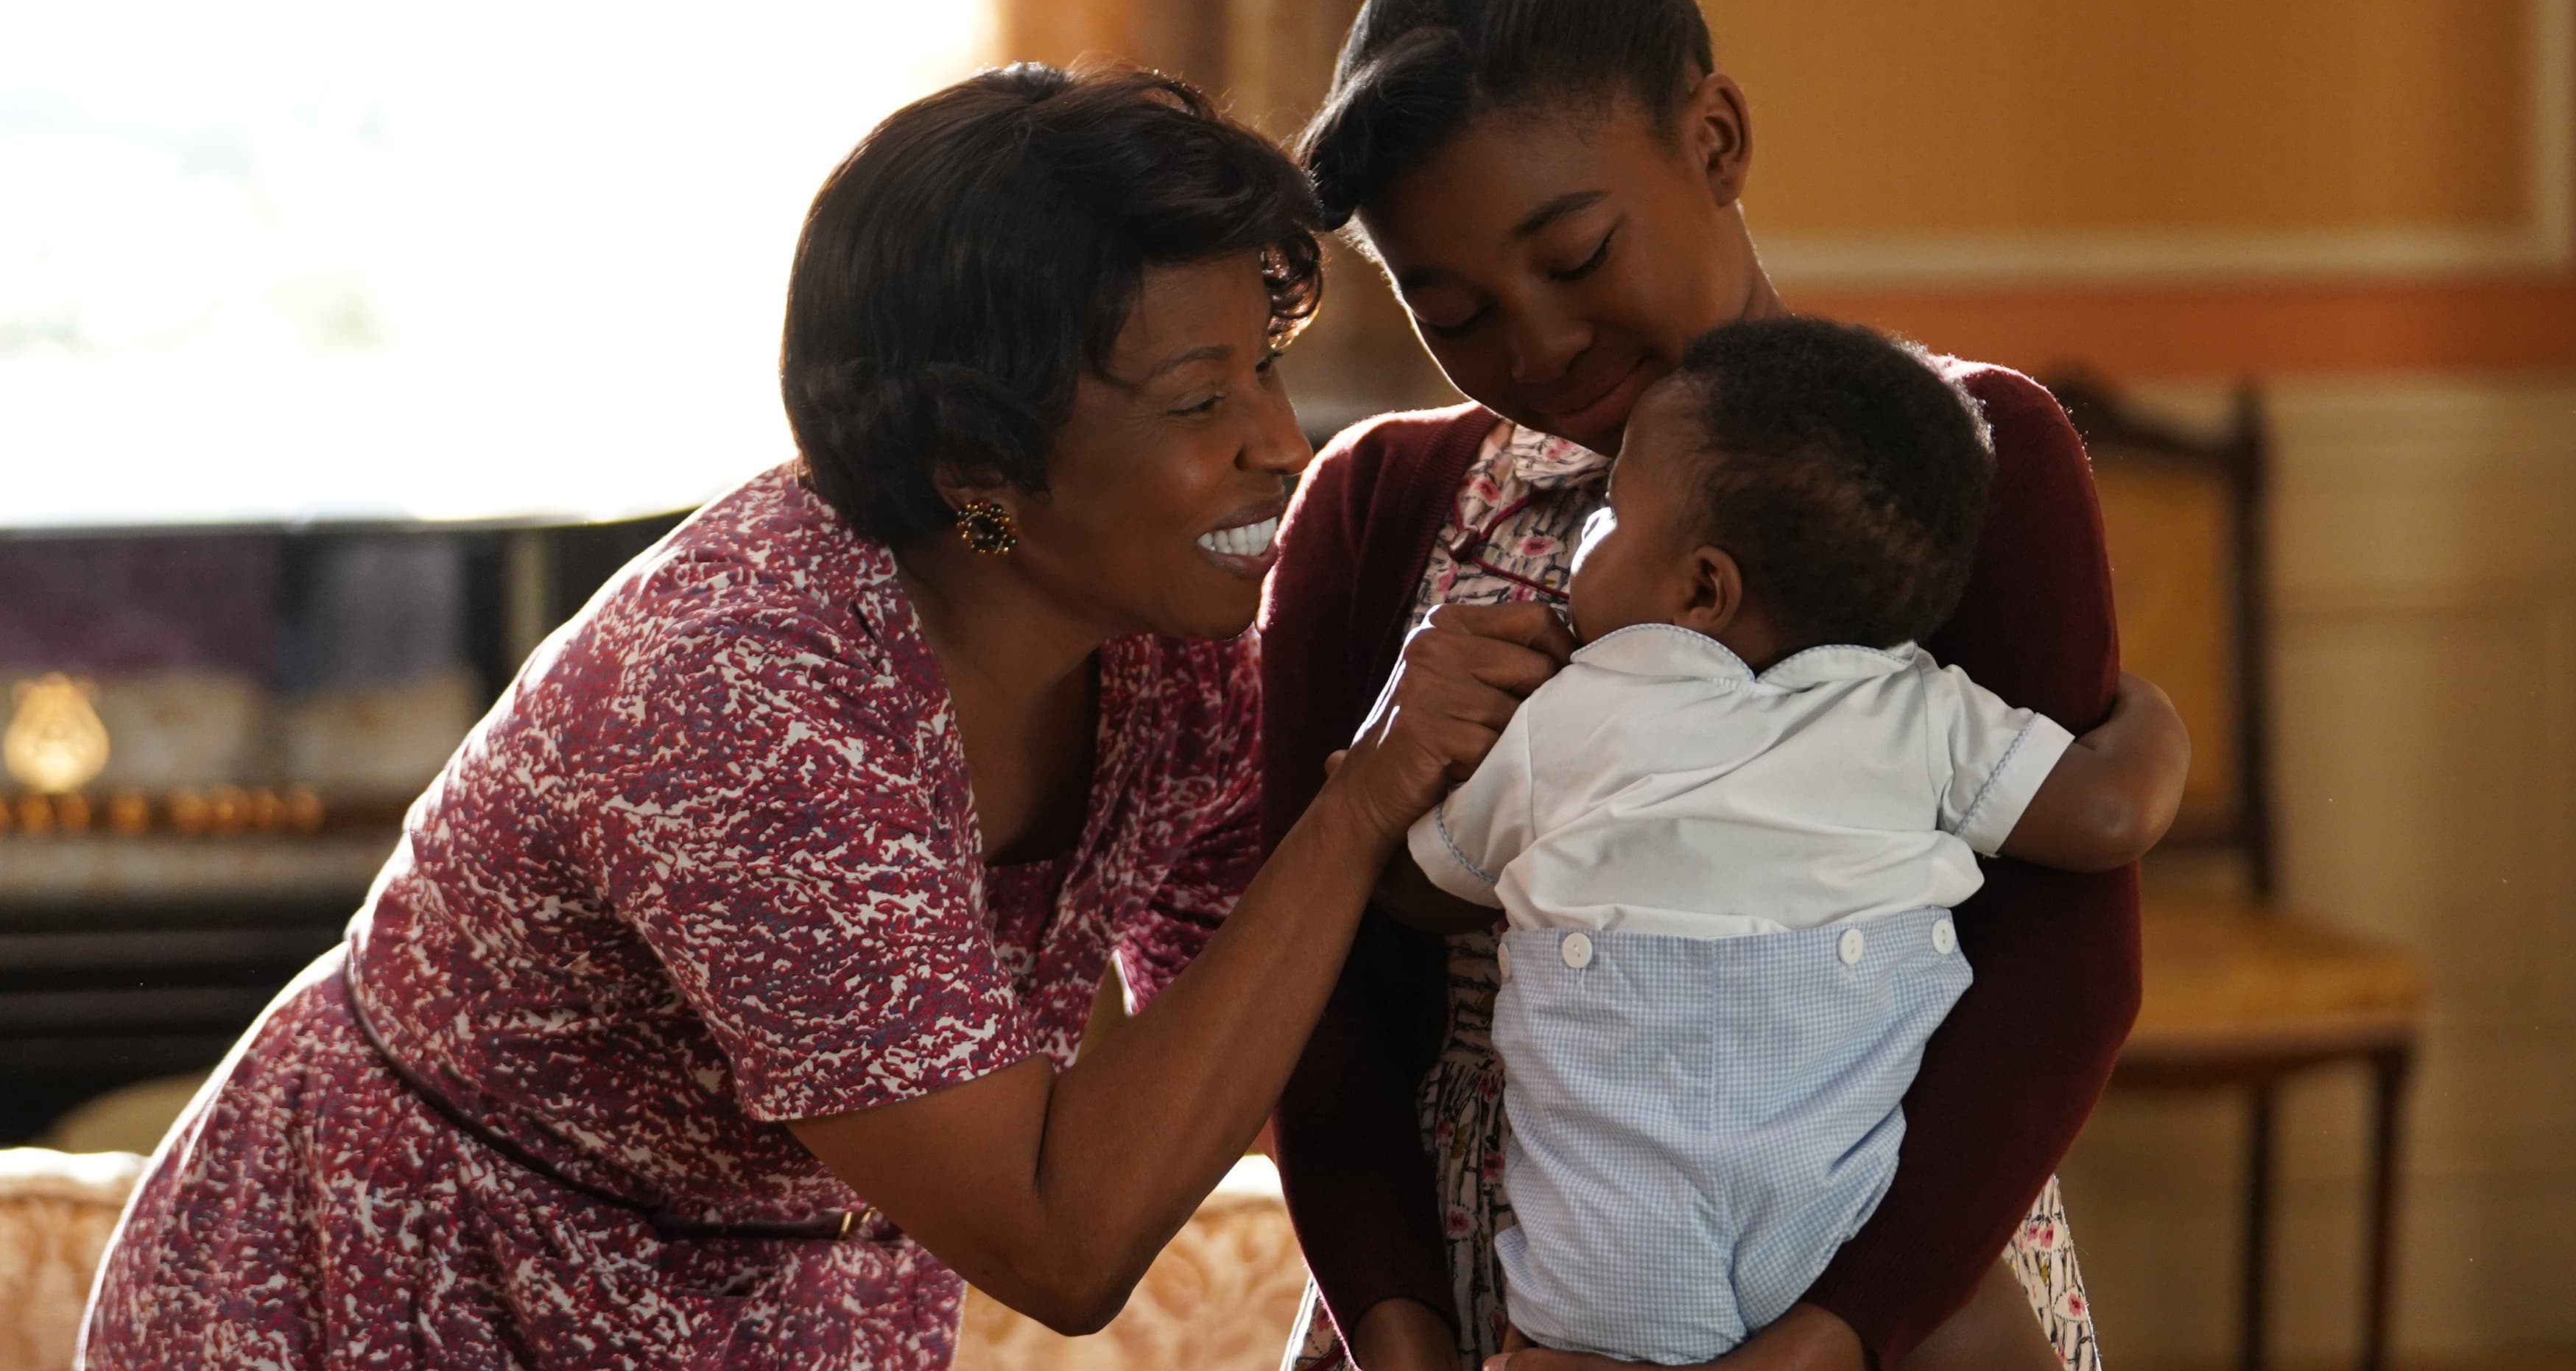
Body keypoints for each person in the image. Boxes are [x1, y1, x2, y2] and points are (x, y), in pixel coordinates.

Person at [80, 66, 1553, 1370]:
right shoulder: (739, 696)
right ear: (976, 467)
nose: (1280, 443)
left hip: (763, 1305)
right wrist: (1359, 802)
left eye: (1266, 368)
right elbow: (1062, 1245)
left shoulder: (1171, 652)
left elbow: (1274, 1023)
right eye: (1194, 403)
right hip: (386, 1297)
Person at [1262, 0, 2162, 1371]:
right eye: (1454, 311)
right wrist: (1402, 1341)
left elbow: (2061, 977)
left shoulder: (1970, 455)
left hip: (1892, 1288)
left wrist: (1831, 1339)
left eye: (1575, 256)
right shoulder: (1377, 506)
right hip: (1494, 1294)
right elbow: (1326, 996)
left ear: (1717, 140)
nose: (1540, 344)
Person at [1393, 320, 2188, 1364]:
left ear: (1702, 589)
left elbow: (1425, 888)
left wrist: (1388, 763)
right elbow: (2112, 816)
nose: (1587, 537)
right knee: (1961, 1316)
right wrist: (2152, 713)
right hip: (1845, 1204)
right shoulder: (1920, 713)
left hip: (1623, 1245)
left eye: (1611, 511)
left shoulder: (1563, 721)